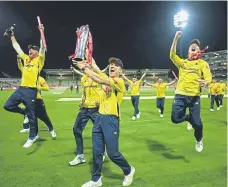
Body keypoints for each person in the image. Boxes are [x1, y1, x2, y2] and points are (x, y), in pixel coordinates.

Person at [74, 57, 135, 187]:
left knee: (113, 154)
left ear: (120, 70)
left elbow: (98, 79)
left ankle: (128, 170)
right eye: (111, 64)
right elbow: (95, 65)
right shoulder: (106, 77)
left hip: (111, 120)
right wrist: (86, 53)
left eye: (116, 65)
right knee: (97, 152)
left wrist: (83, 67)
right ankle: (96, 179)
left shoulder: (119, 81)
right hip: (99, 118)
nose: (112, 66)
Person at [3, 24, 45, 148]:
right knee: (7, 106)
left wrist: (42, 32)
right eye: (29, 49)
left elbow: (43, 47)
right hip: (21, 89)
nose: (30, 50)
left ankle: (32, 136)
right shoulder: (26, 59)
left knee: (32, 116)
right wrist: (12, 36)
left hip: (31, 91)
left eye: (32, 49)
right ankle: (24, 112)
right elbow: (17, 47)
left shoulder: (39, 60)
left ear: (37, 52)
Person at [170, 31, 212, 152]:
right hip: (180, 95)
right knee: (175, 119)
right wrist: (175, 39)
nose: (194, 46)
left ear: (199, 51)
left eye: (197, 46)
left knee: (197, 124)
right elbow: (172, 55)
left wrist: (207, 82)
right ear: (189, 51)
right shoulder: (183, 63)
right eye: (192, 46)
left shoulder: (202, 63)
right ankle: (189, 119)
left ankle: (199, 140)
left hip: (194, 97)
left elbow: (208, 76)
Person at [17, 56, 57, 138]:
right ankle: (35, 134)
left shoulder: (40, 79)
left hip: (38, 100)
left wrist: (39, 88)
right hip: (28, 100)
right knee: (33, 118)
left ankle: (51, 129)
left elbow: (47, 88)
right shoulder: (27, 76)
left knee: (44, 117)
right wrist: (18, 60)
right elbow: (20, 67)